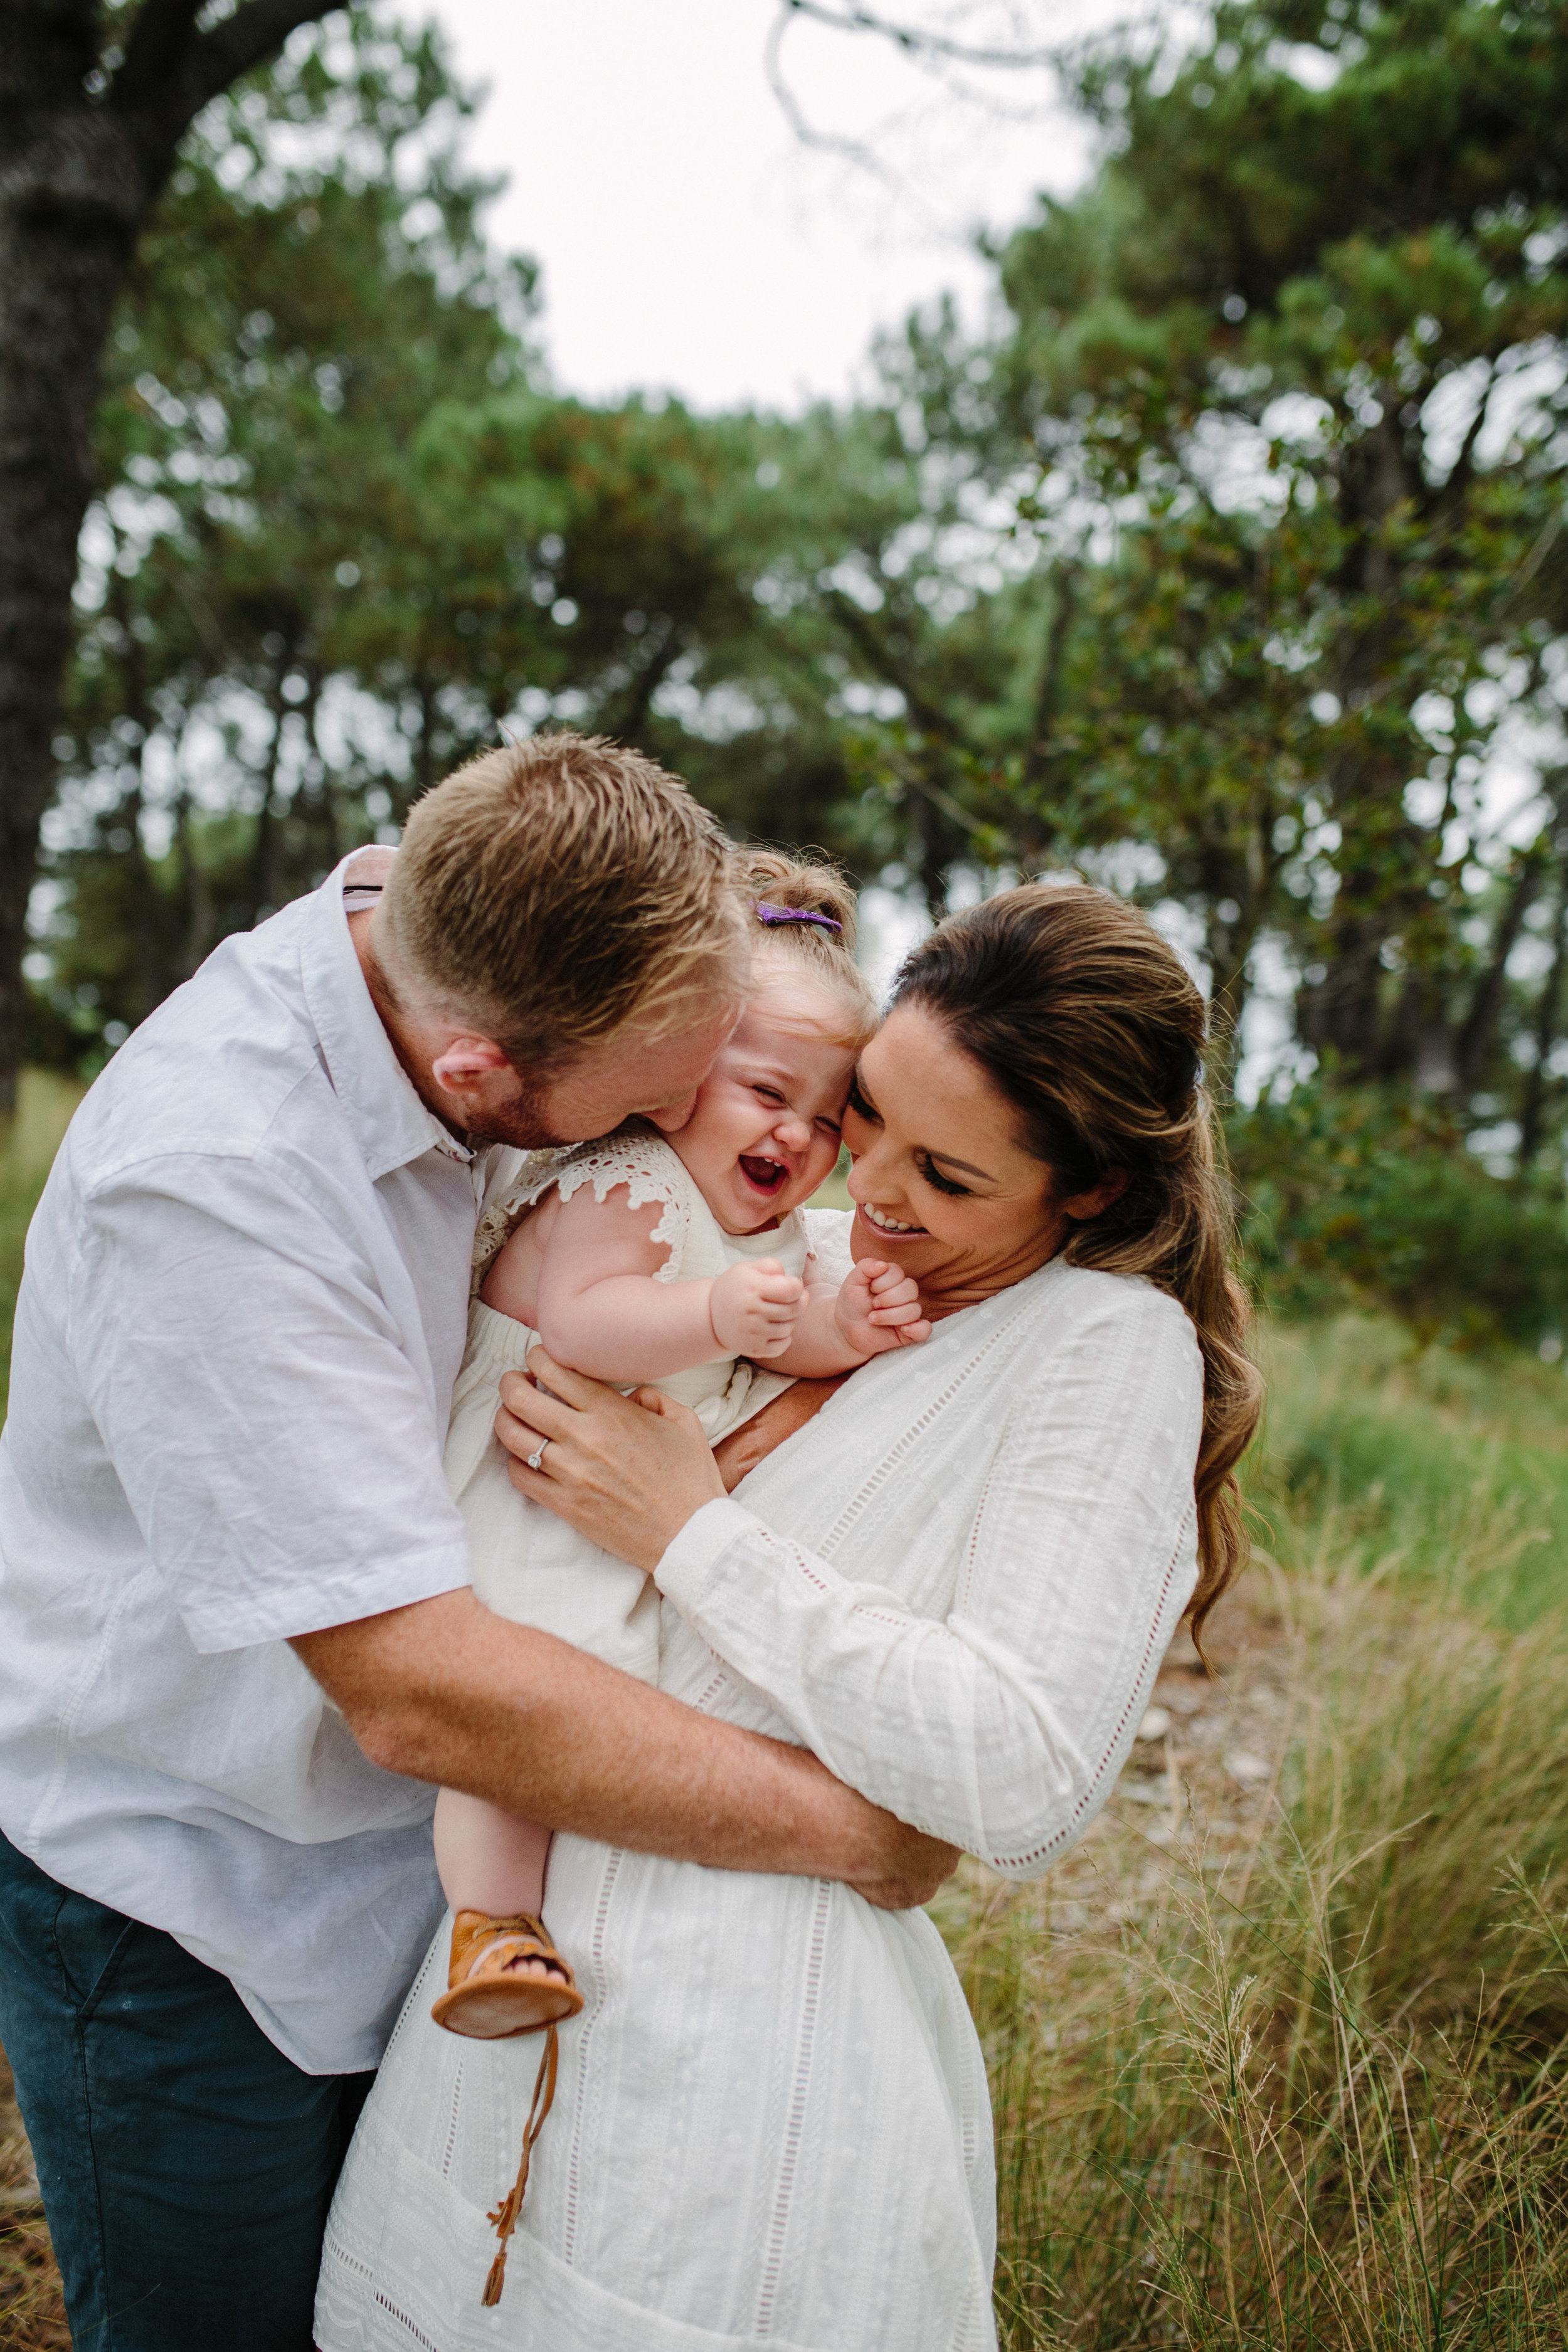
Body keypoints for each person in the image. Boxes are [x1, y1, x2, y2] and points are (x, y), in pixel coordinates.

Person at [0, 733, 953, 2352]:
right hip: (194, 1912)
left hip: (425, 1876)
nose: (670, 1131)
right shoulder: (215, 1189)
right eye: (645, 1105)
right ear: (479, 1086)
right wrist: (845, 1824)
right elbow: (417, 1689)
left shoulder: (496, 908)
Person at [317, 880, 1265, 2352]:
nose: (873, 1189)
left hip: (740, 2097)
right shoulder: (782, 1250)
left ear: (1081, 1192)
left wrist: (683, 1527)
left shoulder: (1099, 1348)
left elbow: (1017, 1771)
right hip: (490, 2016)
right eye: (866, 1115)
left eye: (949, 1180)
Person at [431, 856, 927, 2042]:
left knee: (611, 1704)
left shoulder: (755, 1223)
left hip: (608, 1502)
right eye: (767, 1091)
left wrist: (842, 1327)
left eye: (827, 1118)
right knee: (523, 1703)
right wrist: (711, 1316)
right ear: (677, 1077)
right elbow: (583, 1321)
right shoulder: (628, 1180)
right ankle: (489, 1920)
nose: (795, 1136)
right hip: (526, 1487)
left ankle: (586, 1913)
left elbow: (788, 1334)